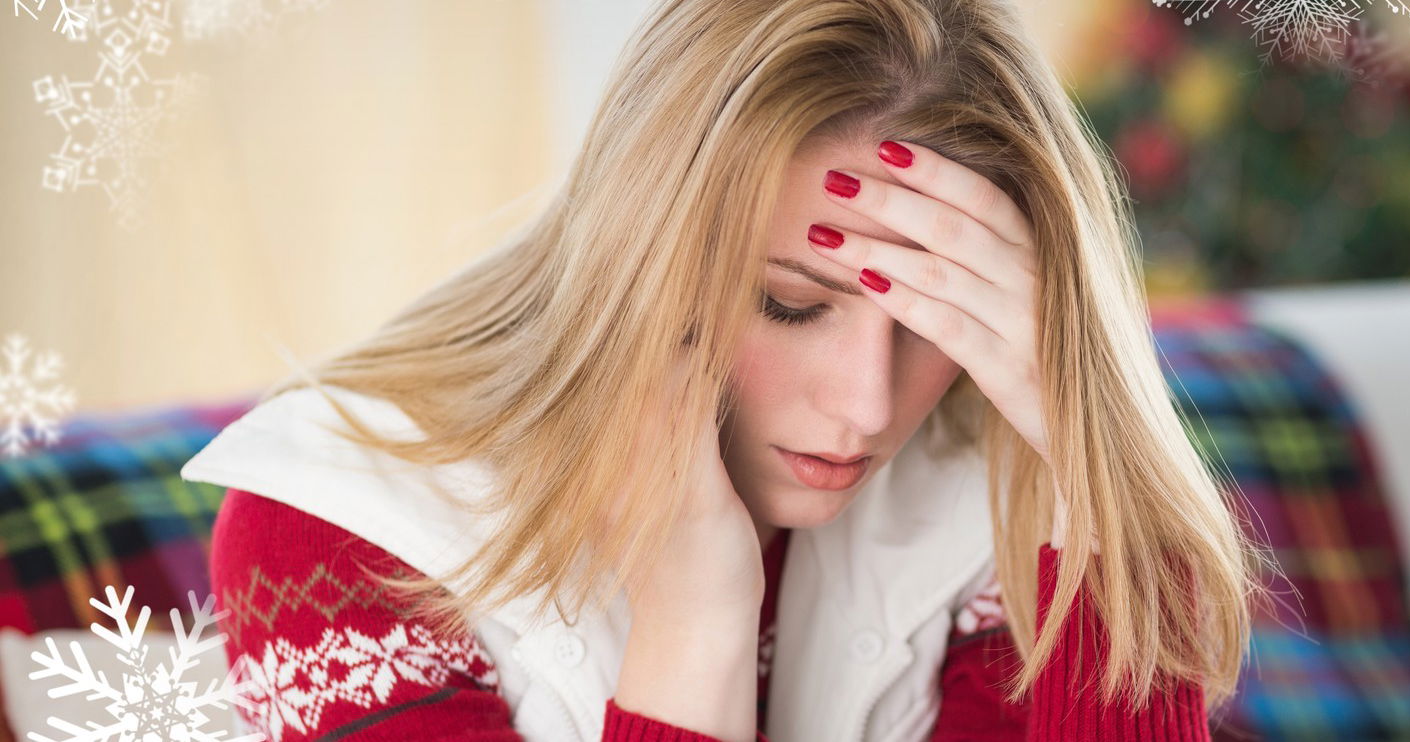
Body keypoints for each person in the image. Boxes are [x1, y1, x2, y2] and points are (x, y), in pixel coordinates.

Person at [181, 0, 1263, 739]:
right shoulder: (337, 525)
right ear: (644, 256)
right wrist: (696, 612)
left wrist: (1093, 461)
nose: (867, 406)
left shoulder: (1004, 486)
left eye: (940, 321)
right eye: (789, 303)